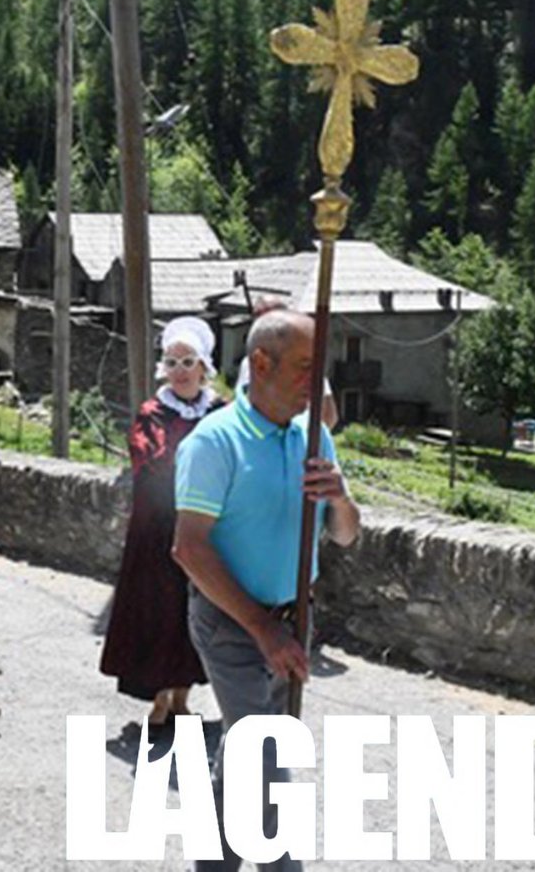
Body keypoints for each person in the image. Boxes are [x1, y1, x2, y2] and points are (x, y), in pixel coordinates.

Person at [173, 310, 361, 872]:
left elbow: (345, 534)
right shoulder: (215, 442)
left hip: (293, 617)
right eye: (304, 366)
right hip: (232, 621)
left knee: (248, 752)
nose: (315, 381)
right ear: (261, 363)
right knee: (265, 757)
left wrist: (341, 496)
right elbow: (189, 549)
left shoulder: (314, 436)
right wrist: (262, 630)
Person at [100, 317, 223, 737]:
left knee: (196, 611)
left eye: (188, 362)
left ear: (204, 366)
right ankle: (159, 698)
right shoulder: (152, 413)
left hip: (208, 526)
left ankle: (182, 697)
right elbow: (152, 461)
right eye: (172, 362)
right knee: (161, 611)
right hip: (159, 529)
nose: (180, 371)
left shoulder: (220, 411)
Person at [235, 296, 338, 431]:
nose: (264, 322)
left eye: (271, 315)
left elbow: (329, 414)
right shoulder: (248, 363)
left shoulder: (306, 363)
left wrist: (308, 437)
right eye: (258, 315)